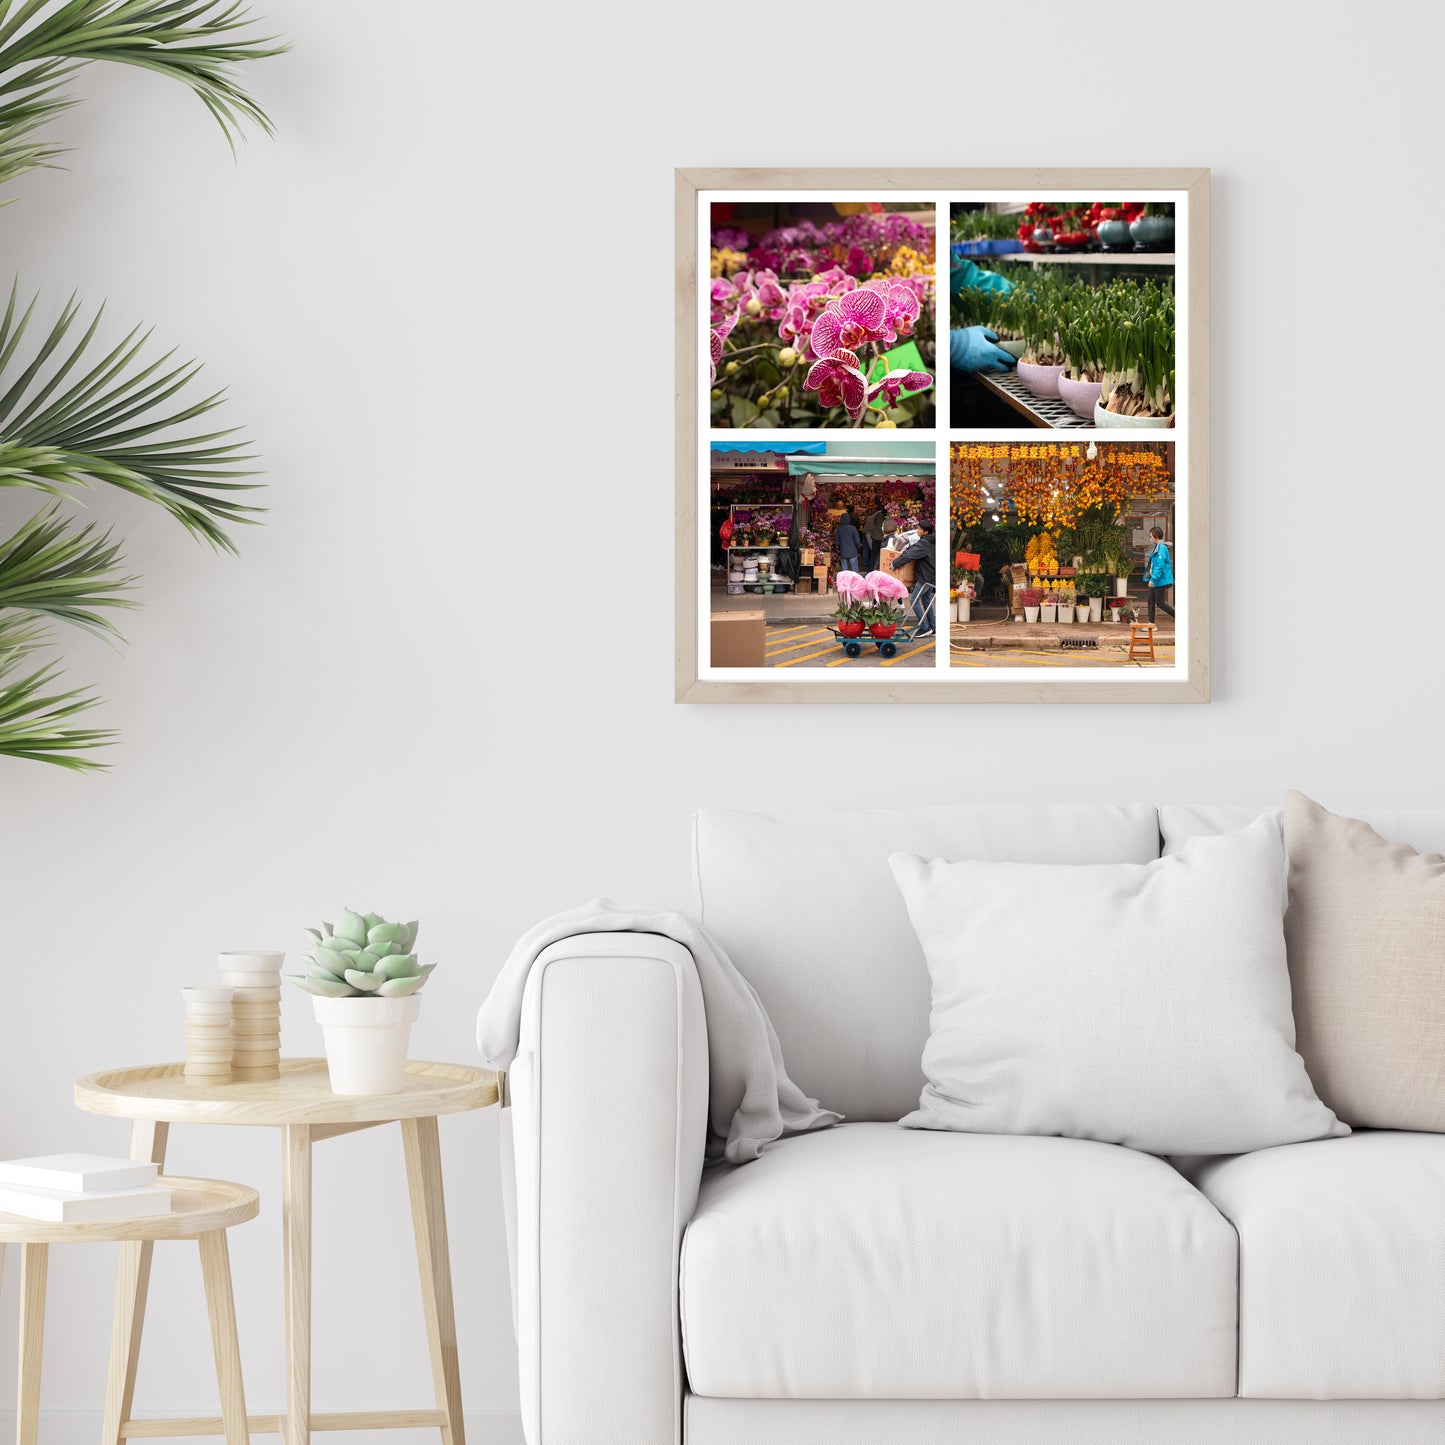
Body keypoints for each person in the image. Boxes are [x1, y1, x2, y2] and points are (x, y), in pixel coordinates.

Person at [948, 254, 1017, 375]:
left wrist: (1012, 294)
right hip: (908, 350)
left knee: (920, 386)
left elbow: (959, 275)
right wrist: (954, 344)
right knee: (907, 387)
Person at [892, 520, 938, 636]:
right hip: (931, 575)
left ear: (926, 532)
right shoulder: (932, 540)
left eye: (920, 529)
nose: (918, 530)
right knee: (926, 600)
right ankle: (933, 626)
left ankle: (924, 627)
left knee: (914, 600)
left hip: (926, 576)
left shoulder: (925, 543)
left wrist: (894, 563)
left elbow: (909, 554)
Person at [1143, 526, 1174, 623]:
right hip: (1155, 579)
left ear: (1155, 536)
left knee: (1160, 603)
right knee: (1150, 601)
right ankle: (1151, 624)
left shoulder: (1161, 548)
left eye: (1151, 536)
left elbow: (1160, 567)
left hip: (1159, 580)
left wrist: (1153, 579)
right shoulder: (1157, 547)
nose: (1150, 538)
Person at [835, 509, 862, 576]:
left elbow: (837, 542)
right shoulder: (853, 528)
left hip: (843, 553)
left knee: (845, 572)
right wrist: (858, 548)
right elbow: (857, 541)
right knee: (855, 571)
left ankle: (846, 584)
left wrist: (840, 549)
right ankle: (856, 584)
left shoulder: (839, 529)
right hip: (853, 552)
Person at [862, 506, 887, 571]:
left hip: (875, 536)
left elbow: (875, 522)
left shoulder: (878, 514)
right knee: (882, 554)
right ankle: (880, 569)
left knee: (873, 554)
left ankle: (870, 569)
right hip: (882, 537)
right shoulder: (887, 517)